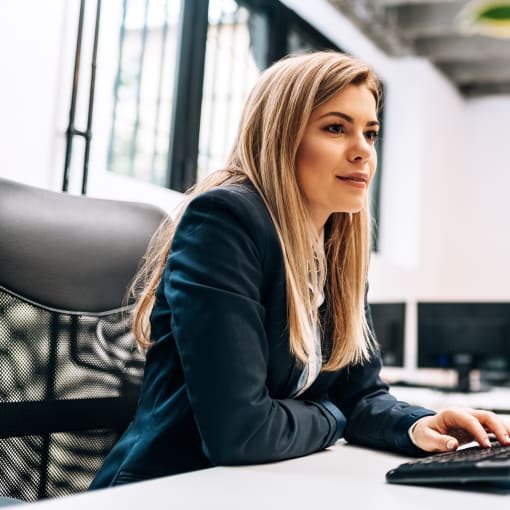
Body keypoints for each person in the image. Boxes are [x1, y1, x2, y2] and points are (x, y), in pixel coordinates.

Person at [90, 51, 510, 489]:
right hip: (169, 487)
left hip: (263, 485)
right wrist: (334, 415)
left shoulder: (332, 252)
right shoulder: (223, 221)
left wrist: (418, 424)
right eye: (335, 128)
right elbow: (242, 431)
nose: (363, 151)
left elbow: (359, 395)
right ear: (281, 136)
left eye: (370, 133)